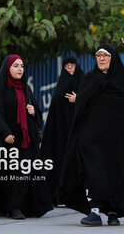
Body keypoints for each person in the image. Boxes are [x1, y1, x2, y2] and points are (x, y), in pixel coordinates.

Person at [55, 44, 124, 226]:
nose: (102, 59)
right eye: (99, 56)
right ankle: (95, 211)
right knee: (94, 173)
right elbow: (82, 106)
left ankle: (113, 213)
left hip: (117, 142)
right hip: (92, 140)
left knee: (114, 176)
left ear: (113, 58)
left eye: (106, 56)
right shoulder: (90, 78)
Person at [0, 54, 53, 219]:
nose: (20, 69)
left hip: (24, 141)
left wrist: (33, 112)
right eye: (16, 66)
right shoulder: (0, 89)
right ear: (7, 68)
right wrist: (5, 132)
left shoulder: (26, 88)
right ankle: (3, 206)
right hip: (7, 141)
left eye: (22, 66)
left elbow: (36, 112)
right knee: (5, 176)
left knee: (22, 175)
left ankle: (16, 207)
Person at [40, 57, 84, 206]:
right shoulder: (62, 85)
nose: (70, 68)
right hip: (61, 134)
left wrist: (78, 99)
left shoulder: (84, 83)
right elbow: (55, 113)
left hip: (78, 131)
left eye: (72, 65)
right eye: (67, 65)